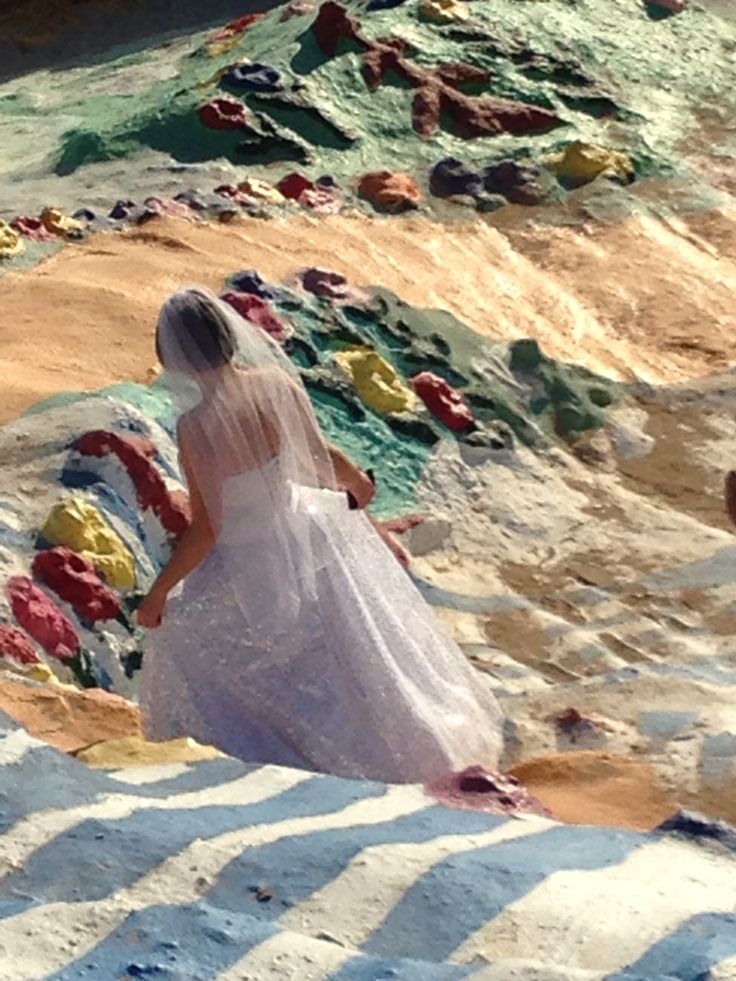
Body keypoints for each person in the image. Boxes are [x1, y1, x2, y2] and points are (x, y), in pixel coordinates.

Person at [137, 286, 503, 782]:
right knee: (351, 648)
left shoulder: (196, 425)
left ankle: (266, 765)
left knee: (183, 634)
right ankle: (413, 747)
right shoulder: (276, 384)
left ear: (175, 355)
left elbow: (208, 527)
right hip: (308, 529)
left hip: (249, 555)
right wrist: (357, 484)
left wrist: (159, 593)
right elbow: (317, 454)